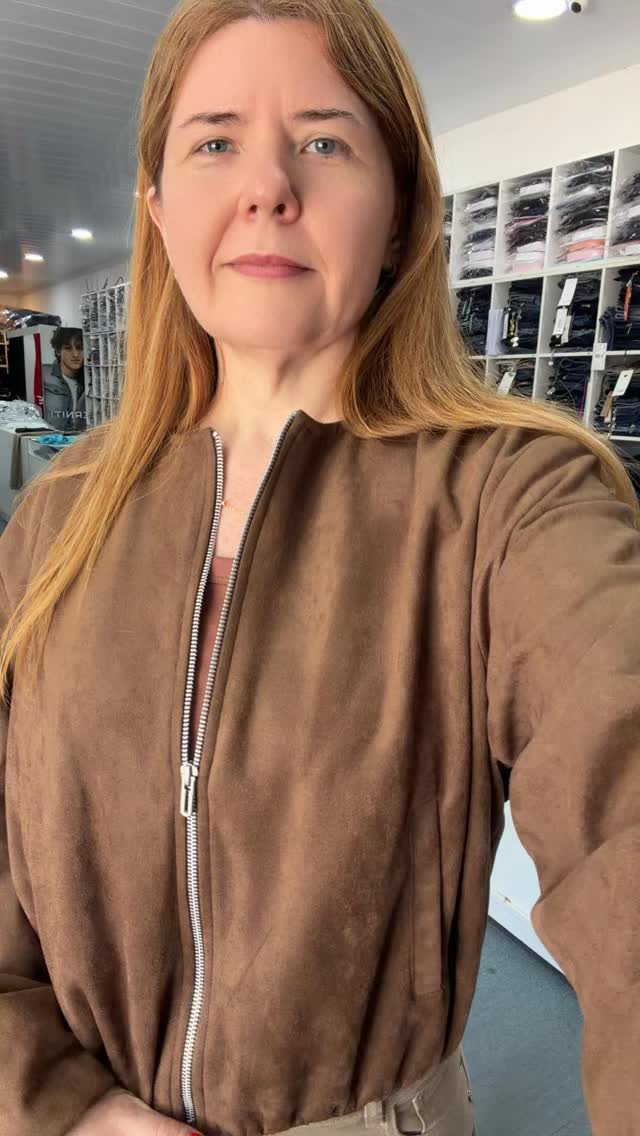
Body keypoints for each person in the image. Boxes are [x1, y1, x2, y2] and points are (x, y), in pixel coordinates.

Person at [0, 2, 638, 1135]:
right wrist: (60, 1103)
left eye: (325, 140)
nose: (267, 187)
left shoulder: (511, 499)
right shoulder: (59, 515)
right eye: (214, 141)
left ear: (399, 212)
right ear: (157, 208)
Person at [42, 326, 87, 432]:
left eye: (80, 348)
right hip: (51, 439)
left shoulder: (92, 379)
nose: (75, 354)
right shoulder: (44, 375)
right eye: (68, 348)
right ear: (58, 351)